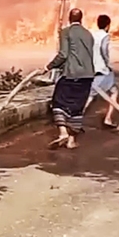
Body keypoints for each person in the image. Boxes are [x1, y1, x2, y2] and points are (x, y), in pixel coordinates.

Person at [46, 8, 95, 149]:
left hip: (71, 75)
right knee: (77, 107)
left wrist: (49, 66)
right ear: (81, 19)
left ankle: (63, 133)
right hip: (87, 76)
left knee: (58, 102)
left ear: (69, 18)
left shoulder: (66, 32)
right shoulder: (89, 34)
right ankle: (71, 141)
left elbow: (63, 54)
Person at [83, 14, 119, 128]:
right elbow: (104, 49)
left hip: (92, 68)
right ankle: (76, 118)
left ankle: (108, 118)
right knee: (91, 95)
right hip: (102, 69)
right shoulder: (105, 36)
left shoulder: (92, 35)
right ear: (108, 25)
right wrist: (107, 62)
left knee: (113, 91)